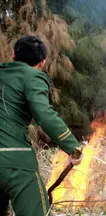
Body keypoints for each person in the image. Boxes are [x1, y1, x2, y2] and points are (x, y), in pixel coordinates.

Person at [0, 36, 84, 216]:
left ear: (13, 55)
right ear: (42, 63)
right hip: (15, 161)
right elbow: (43, 114)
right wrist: (72, 147)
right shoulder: (33, 76)